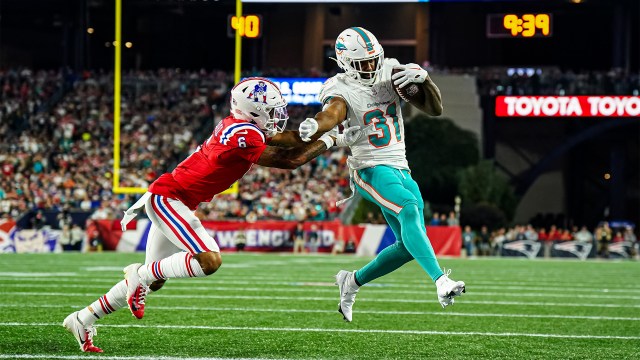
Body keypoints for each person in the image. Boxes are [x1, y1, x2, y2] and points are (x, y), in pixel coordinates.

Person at [62, 77, 365, 353]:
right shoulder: (245, 135)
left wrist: (324, 134)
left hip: (176, 199)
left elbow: (285, 140)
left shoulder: (240, 127)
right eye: (270, 111)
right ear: (252, 111)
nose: (276, 116)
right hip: (169, 199)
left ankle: (83, 318)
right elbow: (291, 159)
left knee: (155, 281)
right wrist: (330, 140)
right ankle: (136, 273)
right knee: (208, 260)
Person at [298, 27, 465, 322]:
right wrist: (317, 124)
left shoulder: (390, 70)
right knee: (409, 209)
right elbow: (333, 113)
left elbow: (435, 108)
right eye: (363, 63)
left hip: (401, 165)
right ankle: (441, 281)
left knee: (407, 247)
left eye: (374, 60)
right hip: (370, 168)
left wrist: (424, 81)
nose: (372, 67)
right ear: (345, 62)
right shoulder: (339, 86)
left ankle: (352, 281)